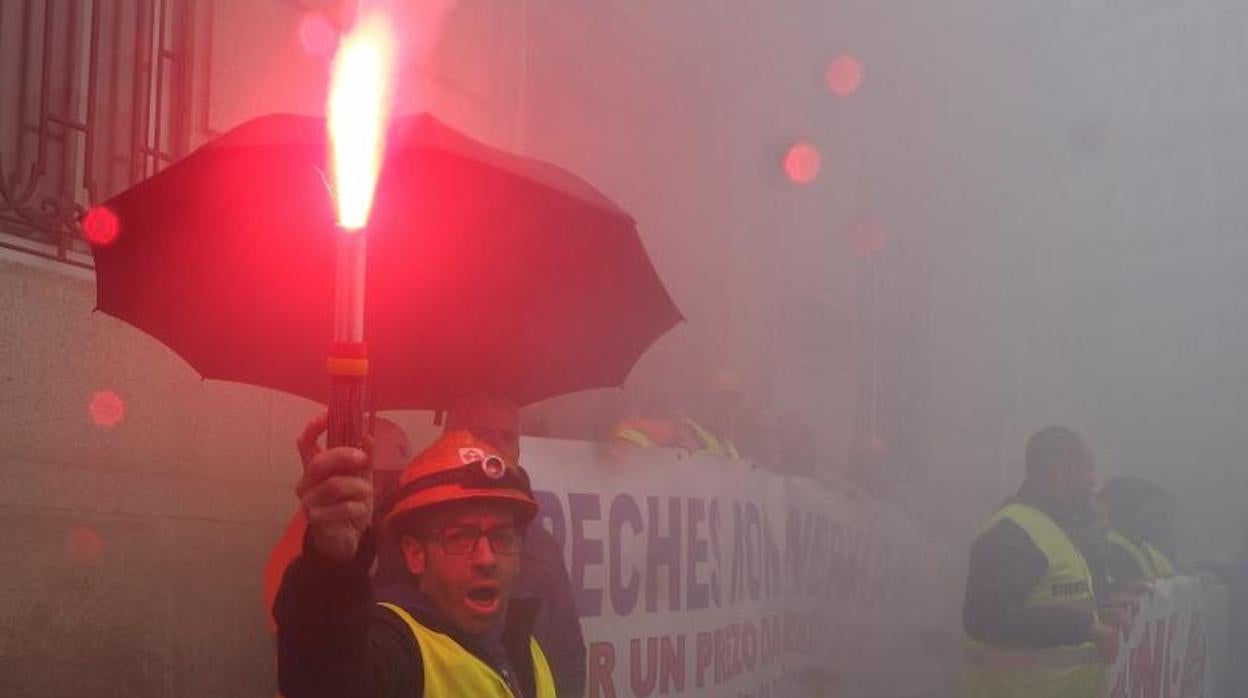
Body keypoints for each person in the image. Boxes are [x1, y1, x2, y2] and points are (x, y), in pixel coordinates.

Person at [275, 424, 556, 697]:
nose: (486, 558)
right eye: (459, 537)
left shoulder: (527, 644)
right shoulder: (399, 648)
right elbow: (326, 681)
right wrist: (331, 565)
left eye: (502, 537)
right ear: (415, 554)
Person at [442, 395, 587, 698]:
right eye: (481, 434)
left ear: (519, 450)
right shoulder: (418, 533)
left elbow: (567, 647)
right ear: (449, 440)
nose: (496, 446)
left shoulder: (540, 544)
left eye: (507, 436)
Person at [961, 426, 1119, 698]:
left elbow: (1050, 602)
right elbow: (985, 618)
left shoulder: (1053, 529)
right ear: (1067, 469)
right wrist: (1084, 628)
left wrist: (1104, 611)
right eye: (1088, 468)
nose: (1093, 480)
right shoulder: (1012, 531)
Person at [1100, 476, 1178, 586]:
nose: (1159, 519)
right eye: (1150, 511)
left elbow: (1171, 577)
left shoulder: (1144, 546)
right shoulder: (1113, 549)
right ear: (1128, 510)